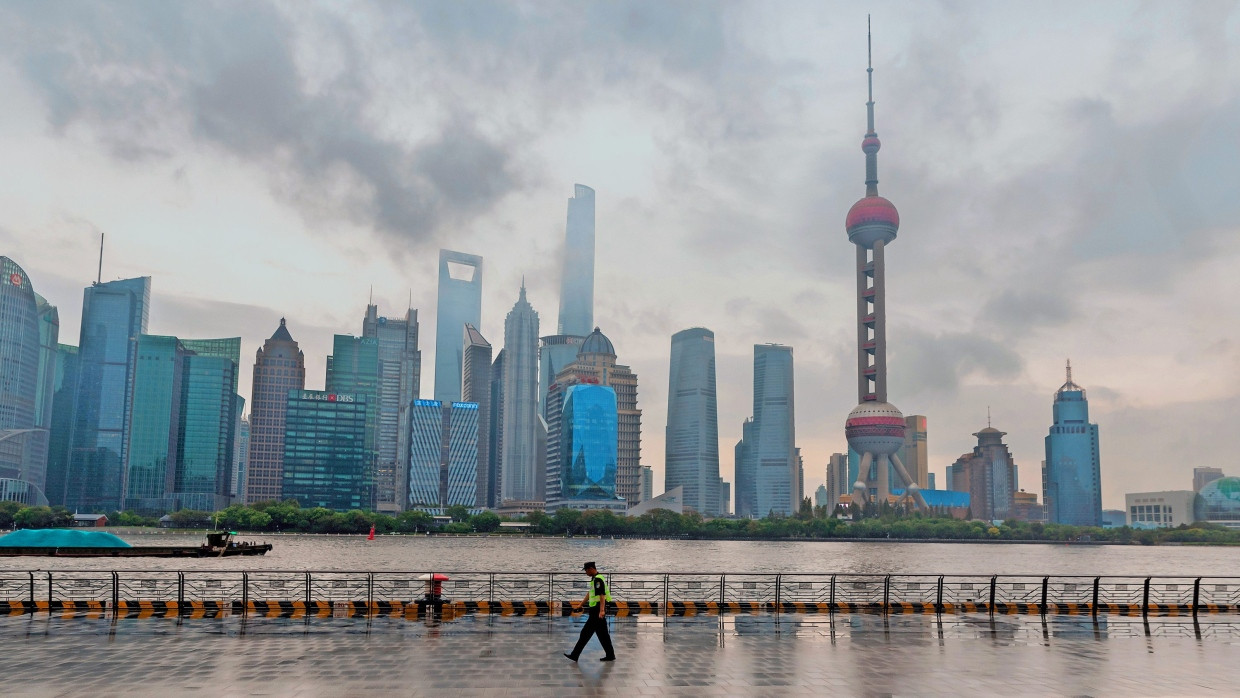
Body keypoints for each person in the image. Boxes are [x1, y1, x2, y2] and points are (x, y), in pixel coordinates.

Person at [563, 561, 616, 662]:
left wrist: (601, 611)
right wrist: (581, 604)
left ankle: (575, 655)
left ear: (591, 569)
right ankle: (610, 655)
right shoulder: (594, 579)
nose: (585, 573)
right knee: (602, 634)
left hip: (597, 610)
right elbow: (590, 593)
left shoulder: (598, 580)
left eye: (586, 570)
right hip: (595, 609)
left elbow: (602, 595)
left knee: (585, 633)